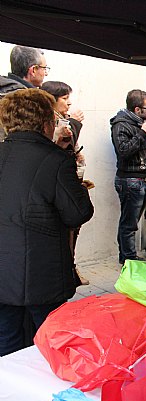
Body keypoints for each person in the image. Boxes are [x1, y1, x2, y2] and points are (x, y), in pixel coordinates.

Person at [0, 89, 94, 356]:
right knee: (49, 344)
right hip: (42, 274)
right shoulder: (55, 161)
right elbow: (78, 213)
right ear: (46, 122)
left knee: (6, 342)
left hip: (3, 271)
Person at [42, 81, 91, 285]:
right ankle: (66, 272)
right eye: (64, 98)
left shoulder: (62, 119)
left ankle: (70, 269)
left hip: (71, 178)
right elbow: (51, 150)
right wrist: (74, 124)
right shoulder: (50, 121)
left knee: (73, 230)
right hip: (58, 184)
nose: (69, 103)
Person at [110, 89, 146, 264]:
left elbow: (141, 150)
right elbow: (124, 150)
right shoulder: (121, 125)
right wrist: (143, 133)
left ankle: (127, 257)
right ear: (137, 110)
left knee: (131, 221)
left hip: (141, 180)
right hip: (130, 181)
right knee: (129, 223)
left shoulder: (138, 124)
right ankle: (128, 259)